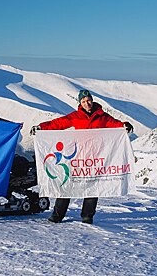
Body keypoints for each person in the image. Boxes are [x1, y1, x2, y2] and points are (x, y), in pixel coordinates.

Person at [30, 89, 133, 224]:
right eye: (83, 101)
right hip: (77, 157)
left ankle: (87, 215)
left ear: (92, 100)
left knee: (93, 186)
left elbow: (116, 124)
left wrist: (125, 125)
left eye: (88, 100)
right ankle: (58, 215)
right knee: (66, 184)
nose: (87, 103)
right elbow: (59, 123)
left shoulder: (102, 116)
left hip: (94, 157)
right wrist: (41, 128)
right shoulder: (75, 116)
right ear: (80, 103)